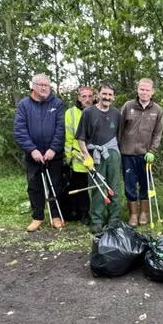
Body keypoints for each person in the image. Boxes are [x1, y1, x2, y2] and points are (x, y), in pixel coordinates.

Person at [13, 73, 65, 232]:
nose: (44, 88)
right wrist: (32, 150)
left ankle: (55, 216)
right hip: (33, 156)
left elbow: (61, 129)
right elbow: (19, 130)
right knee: (34, 186)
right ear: (33, 86)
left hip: (53, 155)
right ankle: (37, 217)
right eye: (40, 85)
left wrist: (53, 149)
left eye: (47, 85)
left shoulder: (57, 104)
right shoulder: (24, 105)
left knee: (55, 185)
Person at [76, 82, 123, 234]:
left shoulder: (116, 114)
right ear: (98, 95)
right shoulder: (88, 113)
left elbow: (119, 136)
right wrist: (86, 155)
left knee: (114, 186)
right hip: (94, 155)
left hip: (112, 153)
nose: (107, 97)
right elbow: (81, 138)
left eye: (110, 94)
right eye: (104, 94)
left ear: (113, 97)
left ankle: (114, 219)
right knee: (97, 188)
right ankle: (97, 220)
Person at [118, 78, 163, 226]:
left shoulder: (157, 110)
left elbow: (158, 133)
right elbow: (119, 130)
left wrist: (152, 151)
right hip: (128, 153)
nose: (144, 92)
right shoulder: (128, 106)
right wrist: (118, 149)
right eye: (142, 89)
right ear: (137, 90)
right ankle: (133, 214)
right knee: (129, 184)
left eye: (147, 90)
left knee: (145, 184)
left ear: (152, 92)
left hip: (146, 155)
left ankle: (144, 212)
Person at [59, 85, 95, 223]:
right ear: (79, 98)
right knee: (81, 187)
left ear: (94, 98)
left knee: (97, 186)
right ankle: (83, 213)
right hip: (78, 156)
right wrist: (68, 157)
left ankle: (98, 213)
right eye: (84, 96)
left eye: (90, 96)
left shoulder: (97, 111)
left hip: (96, 154)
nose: (87, 99)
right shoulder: (71, 113)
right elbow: (68, 136)